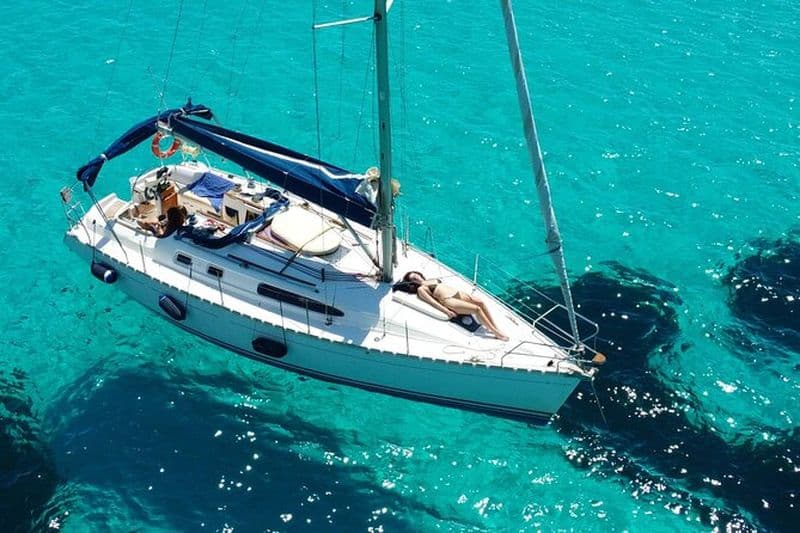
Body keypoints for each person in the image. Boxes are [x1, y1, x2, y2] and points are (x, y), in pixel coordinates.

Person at [396, 271, 509, 341]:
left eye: (415, 275)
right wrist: (446, 311)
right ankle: (496, 333)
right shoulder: (421, 289)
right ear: (412, 282)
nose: (415, 277)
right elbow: (432, 302)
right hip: (449, 300)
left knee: (481, 303)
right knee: (477, 309)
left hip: (458, 293)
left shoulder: (431, 279)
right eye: (413, 278)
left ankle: (495, 327)